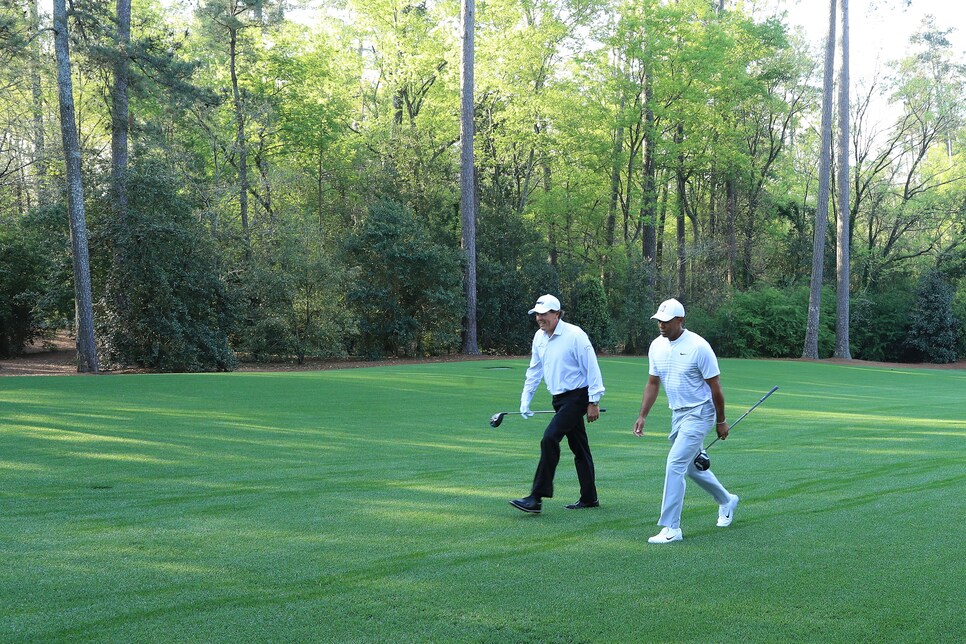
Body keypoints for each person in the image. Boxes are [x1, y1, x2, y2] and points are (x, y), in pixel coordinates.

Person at [632, 298, 739, 543]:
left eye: (667, 321)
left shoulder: (699, 346)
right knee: (691, 467)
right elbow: (652, 383)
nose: (661, 325)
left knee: (674, 464)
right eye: (659, 321)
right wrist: (642, 415)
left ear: (680, 320)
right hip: (677, 413)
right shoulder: (656, 346)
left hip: (701, 412)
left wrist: (721, 421)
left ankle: (671, 528)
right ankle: (726, 500)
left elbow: (716, 387)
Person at [509, 294, 605, 514]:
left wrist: (593, 401)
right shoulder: (539, 337)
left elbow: (592, 368)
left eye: (544, 314)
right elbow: (535, 370)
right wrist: (526, 399)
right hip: (559, 399)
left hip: (577, 396)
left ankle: (536, 498)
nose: (540, 318)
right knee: (580, 448)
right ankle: (589, 497)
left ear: (557, 314)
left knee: (549, 438)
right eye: (537, 315)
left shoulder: (575, 335)